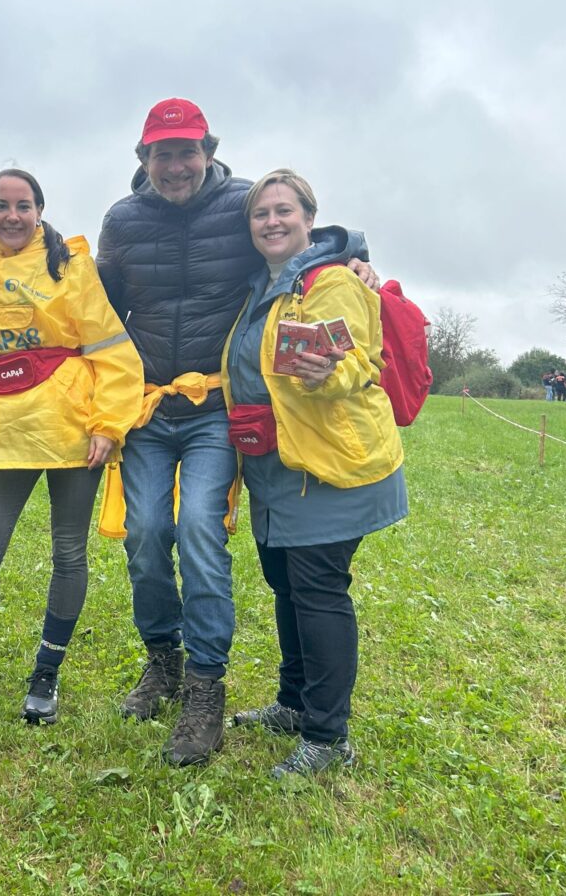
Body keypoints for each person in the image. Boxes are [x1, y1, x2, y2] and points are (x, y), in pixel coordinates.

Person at [96, 98, 375, 766]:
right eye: (161, 153)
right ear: (143, 159)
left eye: (186, 151)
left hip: (218, 411)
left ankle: (204, 689)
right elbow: (96, 310)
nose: (175, 165)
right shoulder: (121, 221)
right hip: (150, 409)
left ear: (208, 151)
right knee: (143, 535)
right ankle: (161, 661)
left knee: (197, 525)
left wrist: (361, 259)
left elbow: (310, 238)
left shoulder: (245, 203)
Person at [0, 169, 142, 724]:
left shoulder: (70, 265)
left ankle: (47, 674)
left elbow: (112, 347)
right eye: (1, 205)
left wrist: (109, 424)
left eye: (23, 205)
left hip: (73, 427)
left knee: (68, 553)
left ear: (39, 210)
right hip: (3, 427)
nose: (12, 216)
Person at [223, 169, 406, 778]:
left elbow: (360, 356)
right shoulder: (265, 285)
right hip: (275, 466)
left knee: (319, 591)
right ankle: (295, 702)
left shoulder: (330, 281)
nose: (272, 222)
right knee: (285, 584)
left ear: (309, 217)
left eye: (283, 211)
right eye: (260, 214)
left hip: (329, 464)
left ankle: (328, 739)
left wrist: (332, 371)